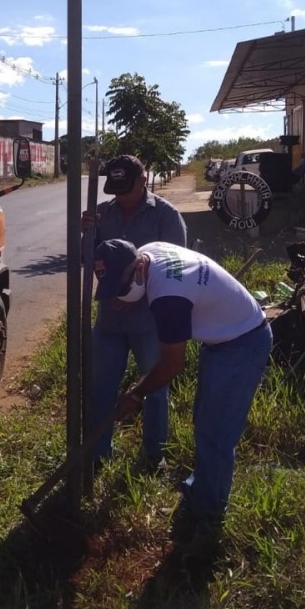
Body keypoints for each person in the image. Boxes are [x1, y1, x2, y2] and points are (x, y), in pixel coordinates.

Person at [94, 237, 272, 557]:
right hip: (223, 338)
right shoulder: (150, 250)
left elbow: (172, 364)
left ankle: (209, 523)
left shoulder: (168, 298)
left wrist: (135, 394)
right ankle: (198, 492)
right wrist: (129, 296)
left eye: (121, 288)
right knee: (204, 422)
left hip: (243, 342)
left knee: (216, 435)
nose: (121, 297)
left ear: (139, 267)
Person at [83, 155, 187, 471]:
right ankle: (99, 453)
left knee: (153, 389)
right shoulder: (101, 214)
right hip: (110, 321)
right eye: (115, 191)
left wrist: (135, 297)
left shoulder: (166, 216)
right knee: (101, 387)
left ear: (143, 181)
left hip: (149, 322)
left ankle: (155, 456)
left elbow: (176, 268)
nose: (120, 198)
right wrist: (85, 234)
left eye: (125, 190)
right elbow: (87, 261)